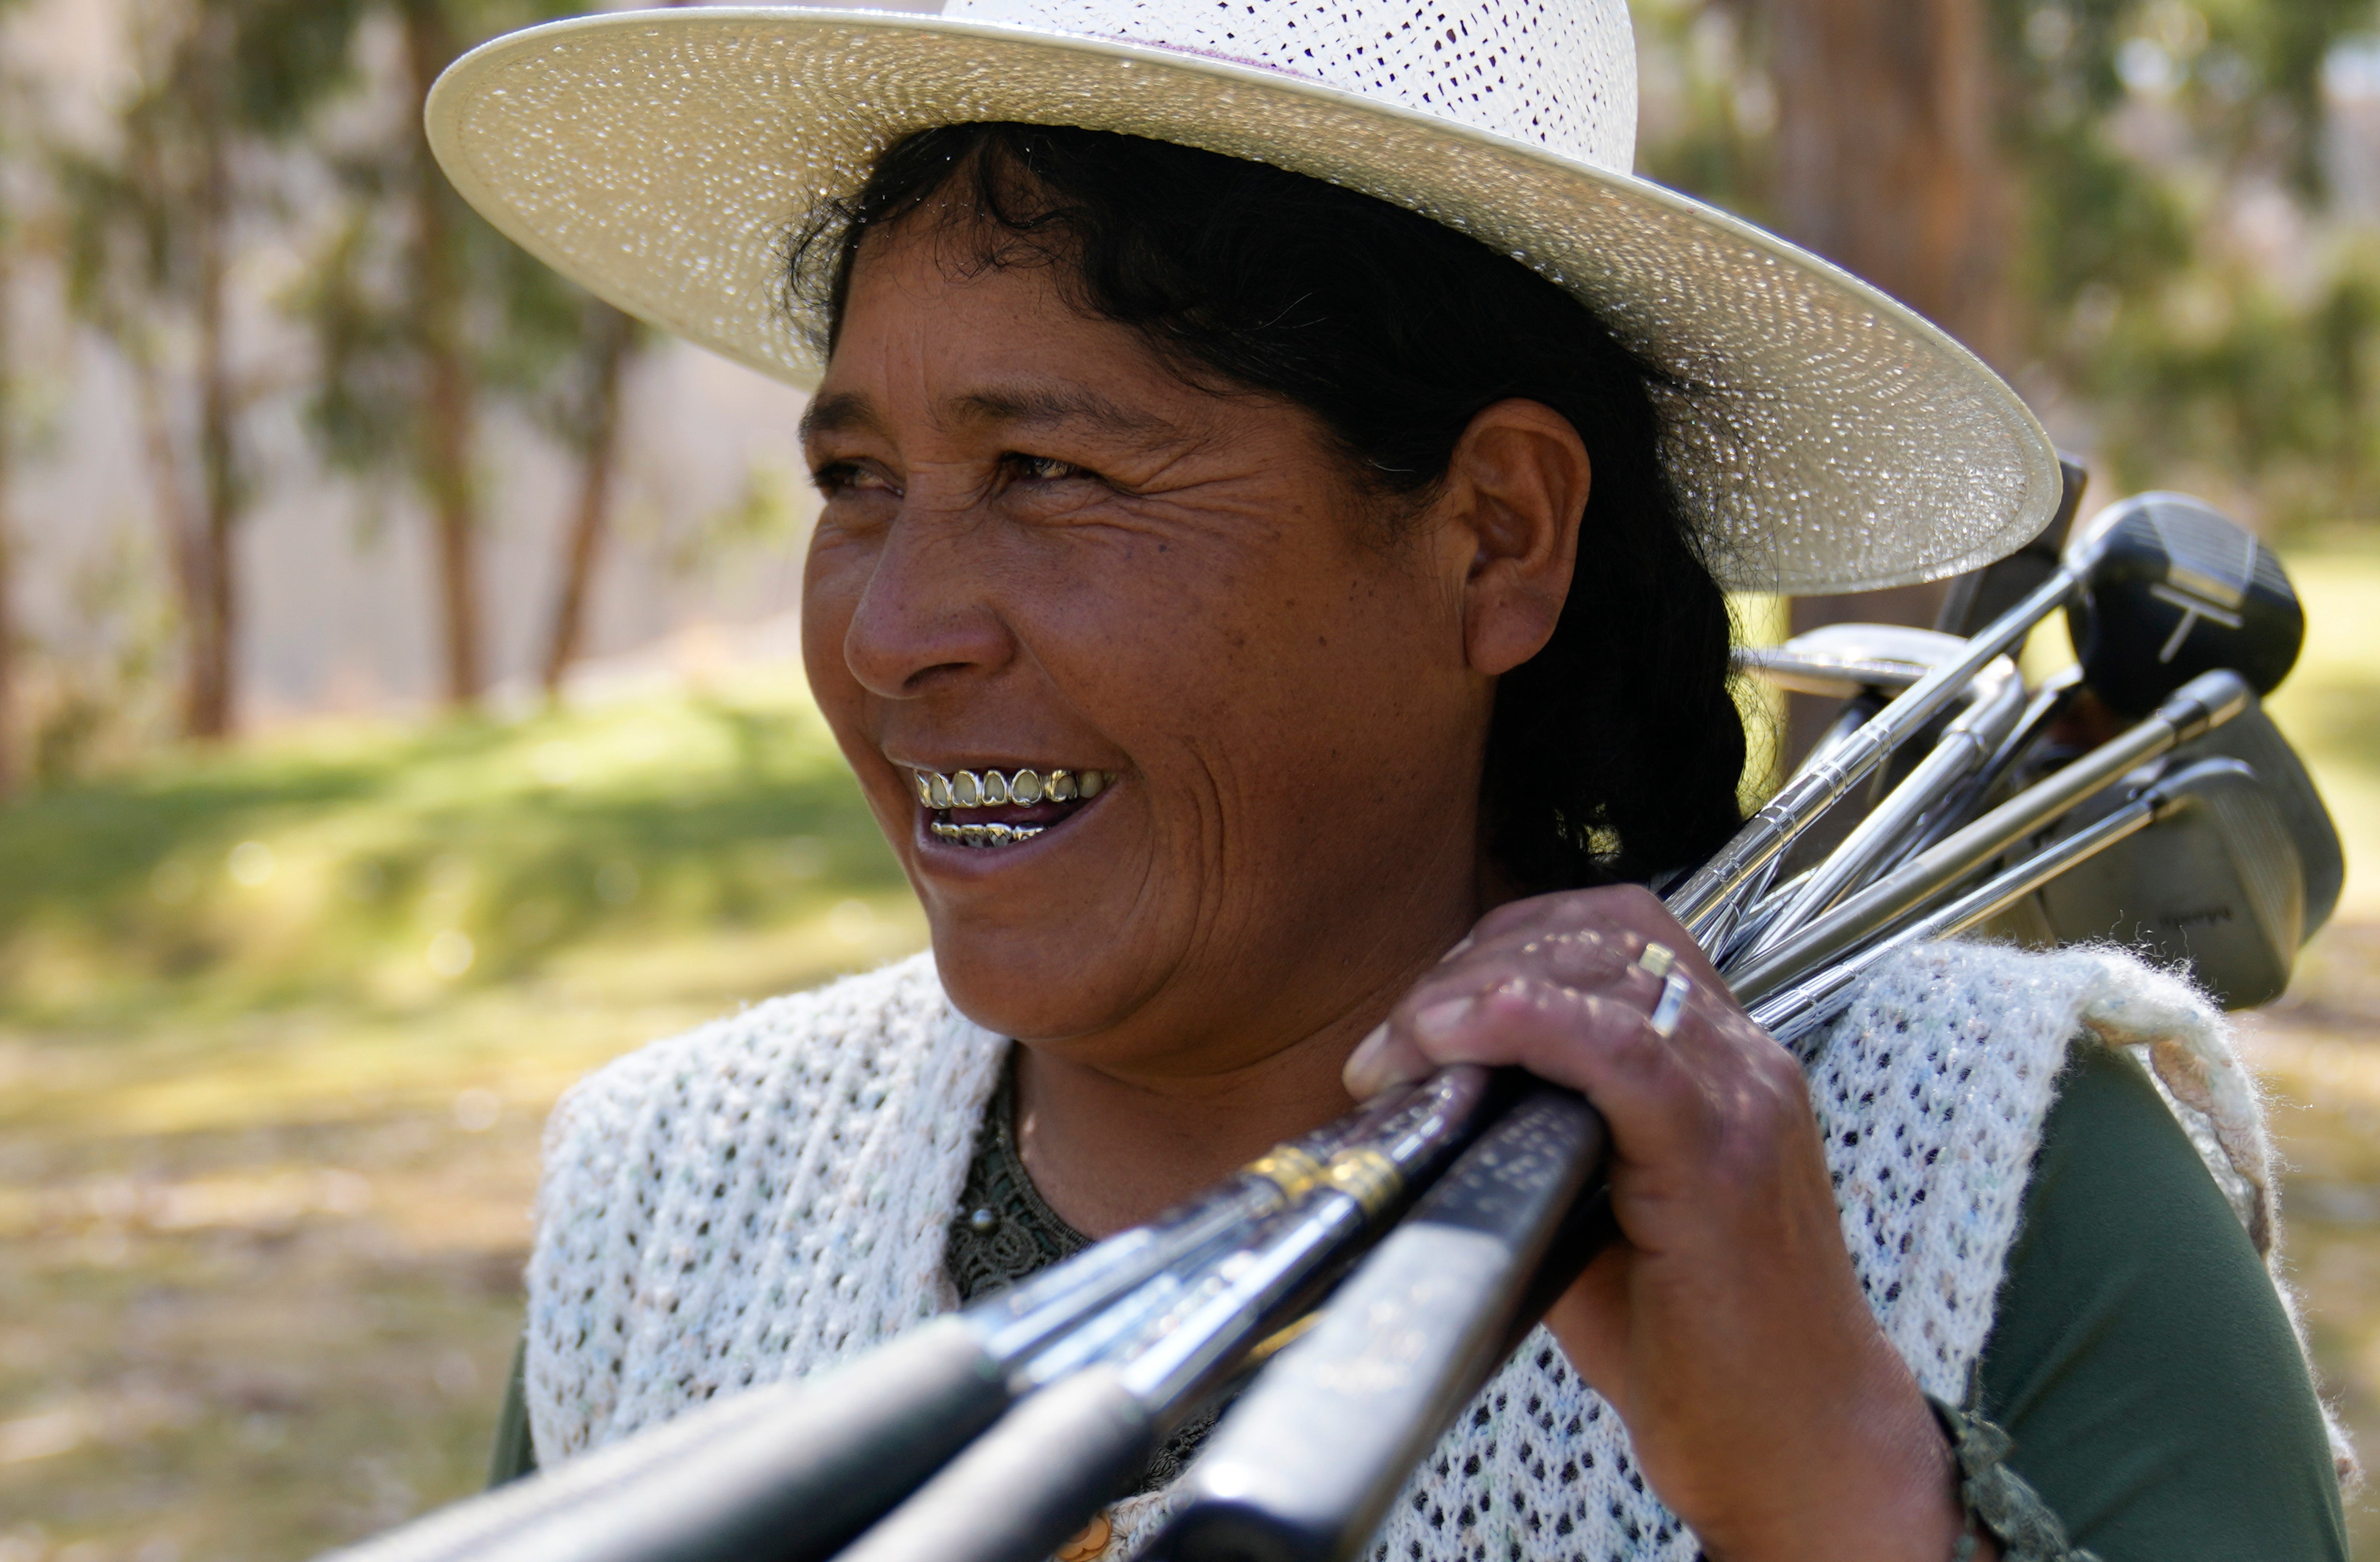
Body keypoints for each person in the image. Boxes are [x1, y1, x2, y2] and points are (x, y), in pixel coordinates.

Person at [433, 3, 2350, 1557]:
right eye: (857, 484)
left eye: (1053, 475)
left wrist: (1843, 1491)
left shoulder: (1998, 1177)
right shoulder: (668, 1213)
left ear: (1498, 534)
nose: (893, 632)